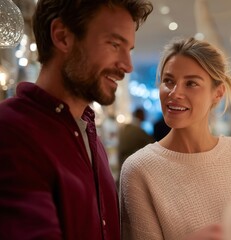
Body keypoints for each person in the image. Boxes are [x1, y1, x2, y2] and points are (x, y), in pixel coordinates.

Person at [0, 0, 153, 239]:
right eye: (114, 44)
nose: (127, 65)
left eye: (129, 50)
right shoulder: (11, 130)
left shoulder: (88, 132)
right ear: (63, 37)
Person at [120, 37, 231, 240]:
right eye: (168, 81)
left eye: (191, 83)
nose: (175, 93)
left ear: (218, 93)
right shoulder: (139, 169)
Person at [117, 107, 154, 181]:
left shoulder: (126, 128)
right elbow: (152, 144)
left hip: (123, 164)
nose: (145, 116)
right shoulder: (138, 130)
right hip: (131, 166)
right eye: (143, 114)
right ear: (140, 115)